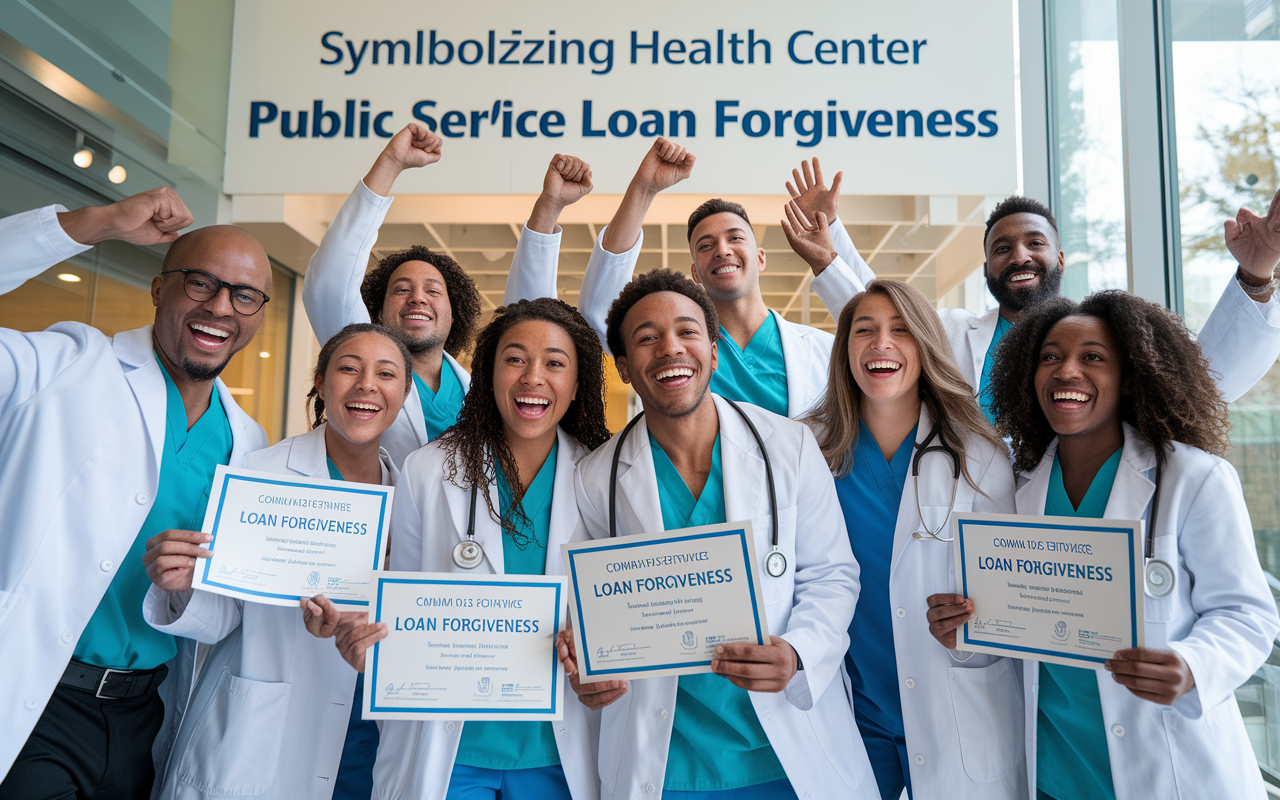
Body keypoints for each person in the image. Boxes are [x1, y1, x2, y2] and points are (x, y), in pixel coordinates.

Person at [930, 291, 1280, 799]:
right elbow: (1018, 638)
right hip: (1055, 774)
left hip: (1170, 769)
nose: (1066, 370)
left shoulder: (1193, 478)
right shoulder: (1015, 489)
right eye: (1050, 356)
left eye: (1092, 357)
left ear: (1131, 375)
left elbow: (1247, 614)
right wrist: (966, 631)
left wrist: (1193, 665)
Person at [563, 269, 876, 800]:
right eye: (646, 338)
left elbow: (832, 573)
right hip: (664, 762)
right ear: (622, 367)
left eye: (687, 332)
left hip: (783, 754)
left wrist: (798, 652)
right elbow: (586, 611)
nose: (669, 350)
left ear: (712, 350)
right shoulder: (594, 478)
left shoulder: (790, 446)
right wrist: (586, 668)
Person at [0, 189, 272, 797]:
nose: (221, 307)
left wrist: (185, 594)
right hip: (33, 697)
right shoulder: (64, 365)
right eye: (200, 283)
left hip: (140, 719)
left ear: (258, 315)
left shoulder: (251, 445)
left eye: (244, 295)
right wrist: (92, 224)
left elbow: (223, 608)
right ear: (158, 288)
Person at [316, 298, 611, 800]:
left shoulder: (603, 477)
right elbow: (401, 601)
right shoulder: (429, 470)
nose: (532, 377)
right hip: (448, 749)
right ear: (488, 373)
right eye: (514, 359)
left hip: (559, 750)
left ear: (577, 383)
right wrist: (373, 647)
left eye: (554, 363)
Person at [139, 323, 411, 800]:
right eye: (349, 368)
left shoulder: (414, 496)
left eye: (385, 374)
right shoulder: (259, 473)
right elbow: (223, 615)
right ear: (322, 383)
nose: (367, 384)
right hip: (265, 729)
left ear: (404, 392)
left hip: (371, 732)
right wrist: (183, 584)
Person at [782, 162, 1280, 414]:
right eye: (1001, 248)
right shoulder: (956, 335)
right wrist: (832, 245)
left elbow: (1200, 385)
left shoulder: (1109, 339)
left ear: (1059, 258)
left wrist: (1256, 278)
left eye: (1034, 242)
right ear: (986, 268)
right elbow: (881, 315)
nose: (1018, 255)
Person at [801, 280, 1023, 800]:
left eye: (900, 330)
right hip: (854, 705)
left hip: (956, 692)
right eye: (865, 331)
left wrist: (979, 624)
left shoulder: (980, 455)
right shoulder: (807, 449)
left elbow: (1012, 587)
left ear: (925, 346)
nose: (882, 343)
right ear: (845, 350)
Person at [303, 123, 594, 466]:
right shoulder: (363, 373)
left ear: (454, 314)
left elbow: (531, 322)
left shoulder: (482, 390)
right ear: (376, 314)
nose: (417, 298)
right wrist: (390, 164)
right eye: (402, 289)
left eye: (432, 290)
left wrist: (550, 206)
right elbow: (329, 284)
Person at [507, 139, 840, 421]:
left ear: (761, 257)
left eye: (736, 238)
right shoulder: (680, 348)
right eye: (706, 246)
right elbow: (601, 310)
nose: (722, 250)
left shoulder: (822, 352)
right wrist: (643, 188)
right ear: (695, 271)